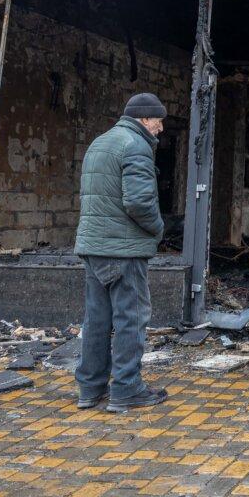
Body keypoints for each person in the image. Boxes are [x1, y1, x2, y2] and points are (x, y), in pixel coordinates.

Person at [73, 93, 169, 412]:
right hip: (122, 249)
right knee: (131, 317)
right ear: (144, 119)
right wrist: (158, 228)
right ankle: (127, 387)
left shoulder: (100, 142)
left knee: (98, 319)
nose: (161, 128)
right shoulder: (136, 145)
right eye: (158, 120)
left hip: (94, 246)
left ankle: (90, 388)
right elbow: (139, 202)